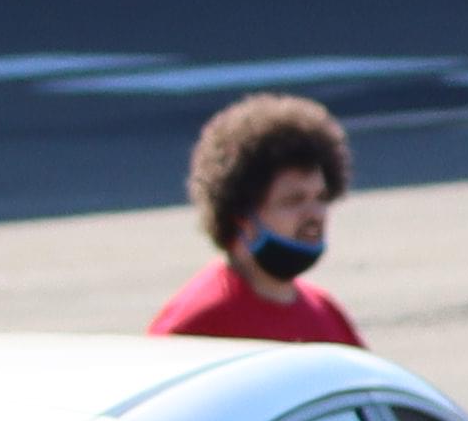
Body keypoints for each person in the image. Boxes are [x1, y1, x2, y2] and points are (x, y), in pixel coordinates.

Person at [151, 92, 362, 346]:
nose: (314, 213)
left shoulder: (326, 314)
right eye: (293, 201)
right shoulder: (197, 325)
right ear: (243, 218)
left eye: (320, 197)